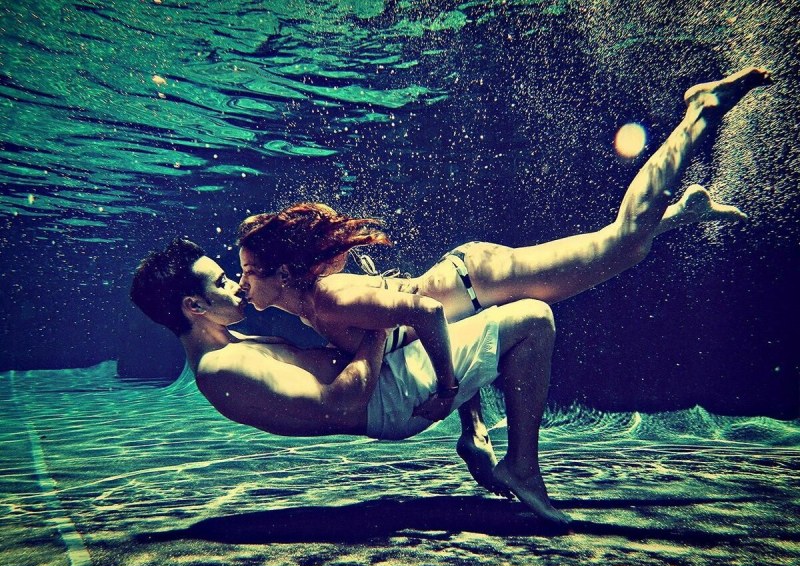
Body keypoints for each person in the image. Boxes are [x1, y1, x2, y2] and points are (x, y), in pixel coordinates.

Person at [235, 67, 771, 489]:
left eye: (248, 272)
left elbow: (428, 315)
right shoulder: (315, 304)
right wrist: (471, 426)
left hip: (479, 279)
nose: (241, 284)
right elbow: (429, 330)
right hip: (470, 285)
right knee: (622, 249)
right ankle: (678, 214)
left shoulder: (326, 300)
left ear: (282, 274)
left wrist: (447, 391)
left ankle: (699, 112)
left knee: (624, 242)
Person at [130, 238, 570, 524]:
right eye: (222, 281)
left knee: (464, 303)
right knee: (534, 318)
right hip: (391, 401)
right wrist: (376, 324)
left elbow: (323, 357)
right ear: (195, 306)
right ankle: (522, 468)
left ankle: (474, 433)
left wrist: (367, 302)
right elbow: (343, 404)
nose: (236, 286)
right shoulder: (222, 368)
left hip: (387, 381)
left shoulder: (231, 343)